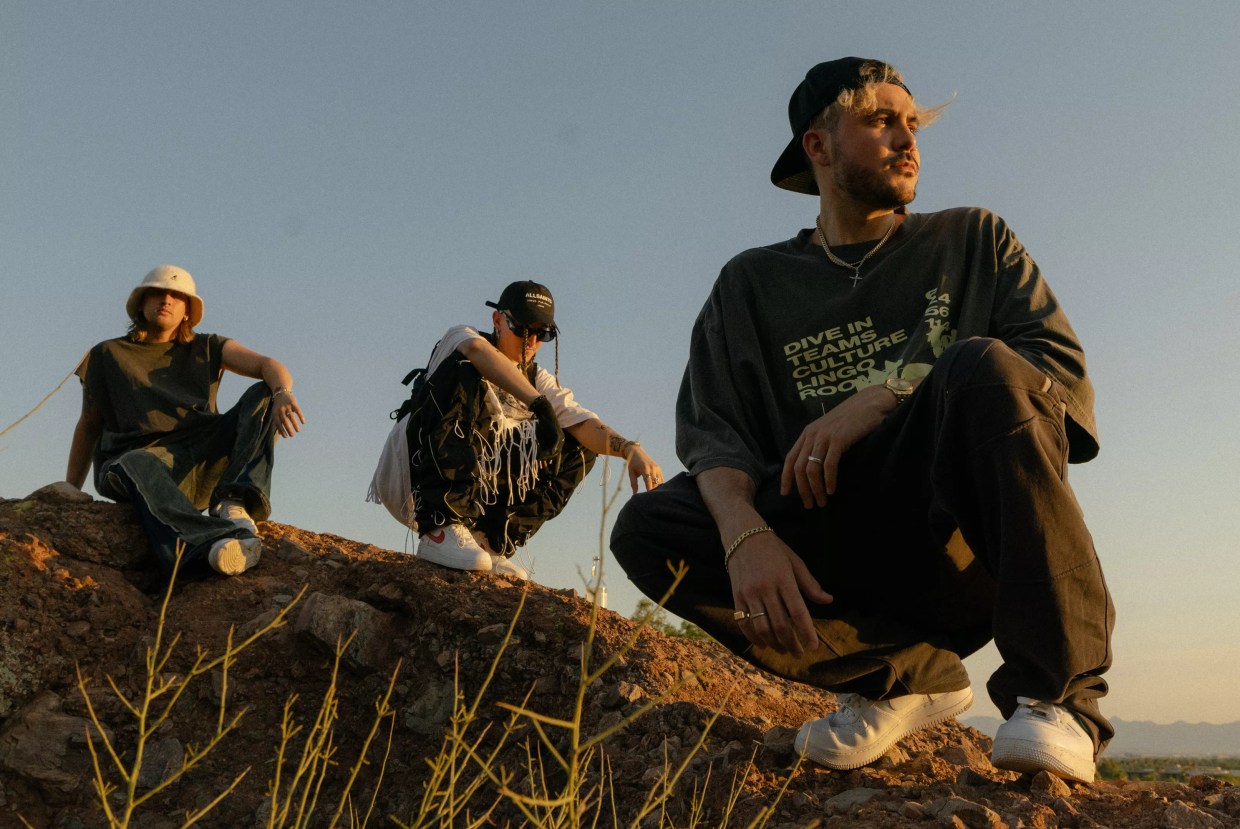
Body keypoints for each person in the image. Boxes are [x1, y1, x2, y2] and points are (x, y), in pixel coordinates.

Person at [610, 58, 1114, 783]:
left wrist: (888, 396)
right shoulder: (752, 284)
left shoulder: (973, 240)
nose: (908, 140)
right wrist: (745, 535)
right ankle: (903, 676)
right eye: (881, 121)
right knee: (652, 527)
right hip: (831, 556)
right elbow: (716, 429)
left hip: (961, 544)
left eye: (913, 124)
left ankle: (1058, 699)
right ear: (818, 146)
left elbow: (1056, 375)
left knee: (990, 366)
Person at [371, 280, 663, 580]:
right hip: (414, 484)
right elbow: (476, 350)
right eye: (523, 329)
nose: (531, 341)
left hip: (478, 494)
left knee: (578, 440)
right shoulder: (461, 339)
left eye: (543, 333)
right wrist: (538, 405)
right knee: (465, 369)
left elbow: (584, 423)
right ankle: (440, 528)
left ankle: (489, 540)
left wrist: (629, 449)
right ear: (498, 320)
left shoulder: (540, 378)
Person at [67, 265, 305, 578]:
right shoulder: (107, 353)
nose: (166, 300)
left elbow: (267, 364)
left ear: (187, 311)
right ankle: (209, 545)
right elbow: (89, 425)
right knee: (136, 461)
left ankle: (233, 502)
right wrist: (70, 491)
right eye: (157, 292)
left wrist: (283, 393)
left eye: (177, 296)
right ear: (141, 303)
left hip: (199, 459)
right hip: (140, 462)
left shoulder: (207, 346)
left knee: (265, 393)